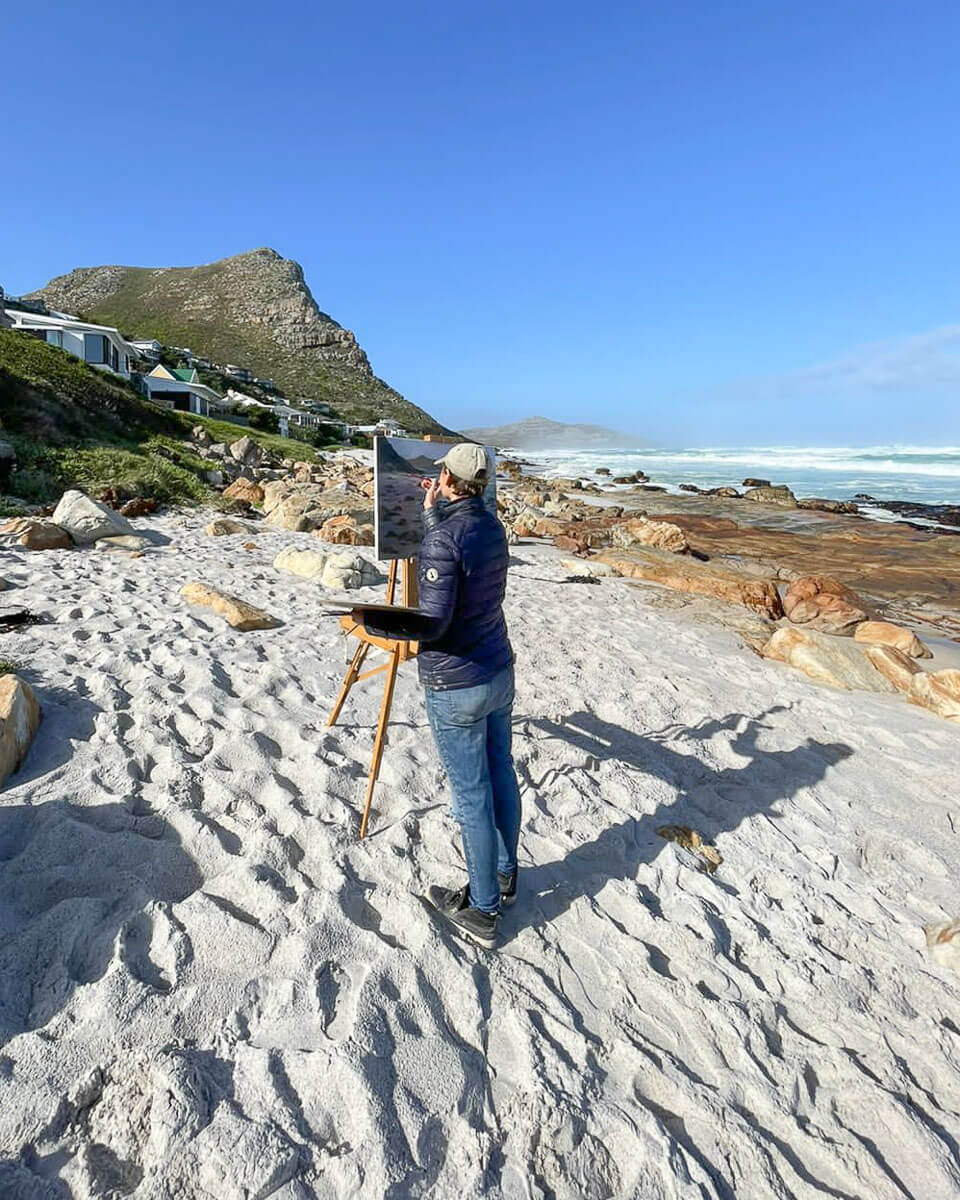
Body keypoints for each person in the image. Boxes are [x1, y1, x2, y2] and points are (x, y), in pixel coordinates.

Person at [356, 443, 520, 949]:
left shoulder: (443, 539)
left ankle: (484, 910)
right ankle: (506, 875)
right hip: (498, 669)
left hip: (458, 683)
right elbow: (459, 566)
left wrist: (374, 621)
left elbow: (434, 622)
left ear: (446, 479)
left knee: (471, 794)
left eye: (439, 475)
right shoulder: (492, 527)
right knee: (501, 772)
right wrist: (435, 519)